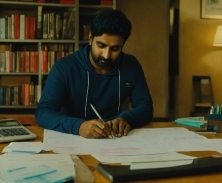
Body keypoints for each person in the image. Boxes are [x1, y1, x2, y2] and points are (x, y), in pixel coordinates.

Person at [35, 10, 153, 139]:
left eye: (115, 48)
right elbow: (43, 113)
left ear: (122, 45)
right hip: (73, 137)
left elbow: (145, 107)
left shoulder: (131, 65)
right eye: (101, 45)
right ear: (90, 38)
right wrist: (78, 126)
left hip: (114, 138)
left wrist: (127, 119)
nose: (106, 55)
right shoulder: (64, 67)